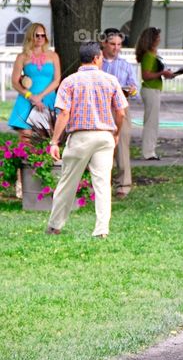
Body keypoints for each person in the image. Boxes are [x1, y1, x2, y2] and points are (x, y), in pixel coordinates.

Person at [45, 42, 128, 238]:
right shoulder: (110, 80)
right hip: (104, 136)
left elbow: (64, 114)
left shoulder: (70, 81)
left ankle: (55, 225)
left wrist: (54, 141)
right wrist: (116, 134)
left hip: (80, 137)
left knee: (67, 183)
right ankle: (101, 230)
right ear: (97, 58)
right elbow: (121, 113)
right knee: (102, 184)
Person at [100, 28, 138, 198]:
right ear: (104, 43)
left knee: (122, 145)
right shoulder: (97, 63)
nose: (116, 48)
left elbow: (135, 88)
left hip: (121, 107)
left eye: (119, 45)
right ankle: (101, 184)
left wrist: (132, 91)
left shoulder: (125, 65)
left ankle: (123, 185)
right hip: (100, 108)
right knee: (101, 146)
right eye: (112, 44)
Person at [9, 22, 61, 135]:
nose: (40, 38)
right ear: (30, 36)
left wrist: (40, 97)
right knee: (26, 137)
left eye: (43, 35)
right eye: (37, 35)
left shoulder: (53, 56)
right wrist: (31, 96)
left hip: (48, 99)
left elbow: (57, 80)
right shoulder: (22, 57)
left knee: (48, 137)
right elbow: (14, 82)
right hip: (27, 99)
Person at [135, 27, 173, 160]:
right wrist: (162, 73)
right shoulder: (148, 56)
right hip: (150, 90)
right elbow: (146, 75)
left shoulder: (153, 54)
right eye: (157, 38)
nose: (159, 40)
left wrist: (165, 74)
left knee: (153, 122)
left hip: (155, 89)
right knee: (151, 122)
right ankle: (148, 152)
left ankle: (151, 150)